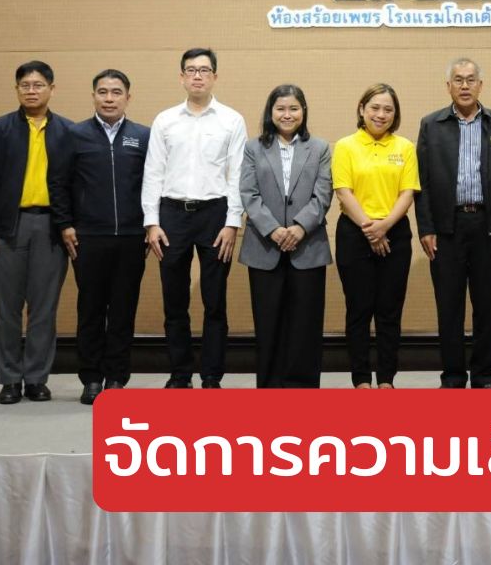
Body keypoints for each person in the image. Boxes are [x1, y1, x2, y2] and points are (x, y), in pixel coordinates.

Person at [142, 48, 247, 389]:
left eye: (204, 70)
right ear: (182, 77)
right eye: (191, 70)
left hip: (215, 214)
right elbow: (153, 172)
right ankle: (180, 374)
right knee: (175, 301)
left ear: (215, 76)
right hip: (171, 215)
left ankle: (212, 377)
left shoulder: (231, 120)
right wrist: (151, 222)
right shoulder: (165, 120)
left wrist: (232, 223)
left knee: (214, 301)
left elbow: (238, 175)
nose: (197, 76)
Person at [0, 61, 74, 404]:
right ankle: (10, 379)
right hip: (7, 227)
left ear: (52, 89)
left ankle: (36, 379)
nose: (31, 91)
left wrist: (69, 225)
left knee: (44, 308)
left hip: (50, 227)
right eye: (25, 85)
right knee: (7, 309)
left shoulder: (67, 131)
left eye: (38, 85)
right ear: (16, 90)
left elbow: (74, 185)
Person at [415, 58, 491, 389]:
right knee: (449, 307)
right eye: (458, 80)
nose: (464, 85)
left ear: (480, 85)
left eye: (471, 79)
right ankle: (453, 376)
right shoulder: (431, 125)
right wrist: (426, 228)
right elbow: (421, 182)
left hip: (489, 228)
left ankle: (484, 375)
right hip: (447, 228)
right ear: (448, 86)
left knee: (487, 307)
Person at [53, 69, 150, 405]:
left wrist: (150, 225)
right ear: (93, 95)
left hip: (132, 237)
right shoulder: (73, 134)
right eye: (103, 92)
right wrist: (65, 224)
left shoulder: (143, 136)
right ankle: (92, 378)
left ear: (128, 97)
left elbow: (153, 184)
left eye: (116, 92)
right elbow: (58, 183)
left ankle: (116, 378)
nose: (109, 98)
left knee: (123, 310)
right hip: (88, 237)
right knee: (91, 309)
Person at [239, 84, 332, 388]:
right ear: (271, 112)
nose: (287, 114)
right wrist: (274, 229)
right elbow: (249, 193)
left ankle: (302, 390)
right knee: (268, 322)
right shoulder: (254, 148)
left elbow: (323, 194)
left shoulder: (320, 148)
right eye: (280, 108)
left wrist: (300, 227)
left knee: (306, 323)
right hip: (264, 246)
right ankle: (270, 389)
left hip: (308, 246)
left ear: (303, 111)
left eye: (294, 108)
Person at [332, 84, 420, 389]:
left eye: (388, 109)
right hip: (354, 234)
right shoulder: (345, 146)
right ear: (362, 109)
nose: (381, 114)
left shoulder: (404, 147)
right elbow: (343, 192)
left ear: (395, 114)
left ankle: (386, 380)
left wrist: (384, 227)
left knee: (389, 311)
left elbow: (407, 192)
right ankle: (361, 380)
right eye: (375, 108)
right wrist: (371, 229)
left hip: (395, 234)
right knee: (358, 310)